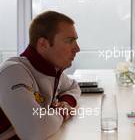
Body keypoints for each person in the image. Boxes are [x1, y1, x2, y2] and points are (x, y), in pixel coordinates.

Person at [0, 11, 81, 140]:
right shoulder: (12, 72)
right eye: (69, 41)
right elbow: (35, 130)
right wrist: (62, 112)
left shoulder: (51, 70)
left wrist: (65, 102)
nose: (77, 48)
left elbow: (73, 86)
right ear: (43, 44)